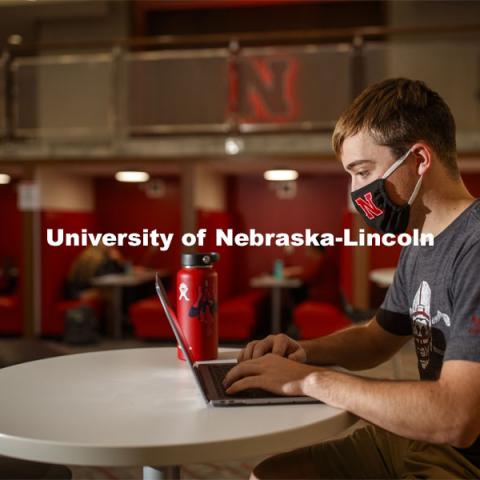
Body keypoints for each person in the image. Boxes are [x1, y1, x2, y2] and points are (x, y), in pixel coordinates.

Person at [223, 78, 480, 479]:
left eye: (363, 171)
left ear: (419, 159)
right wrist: (302, 353)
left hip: (466, 457)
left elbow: (457, 417)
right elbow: (377, 338)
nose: (356, 190)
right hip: (424, 441)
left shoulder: (475, 247)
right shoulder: (420, 243)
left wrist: (308, 381)